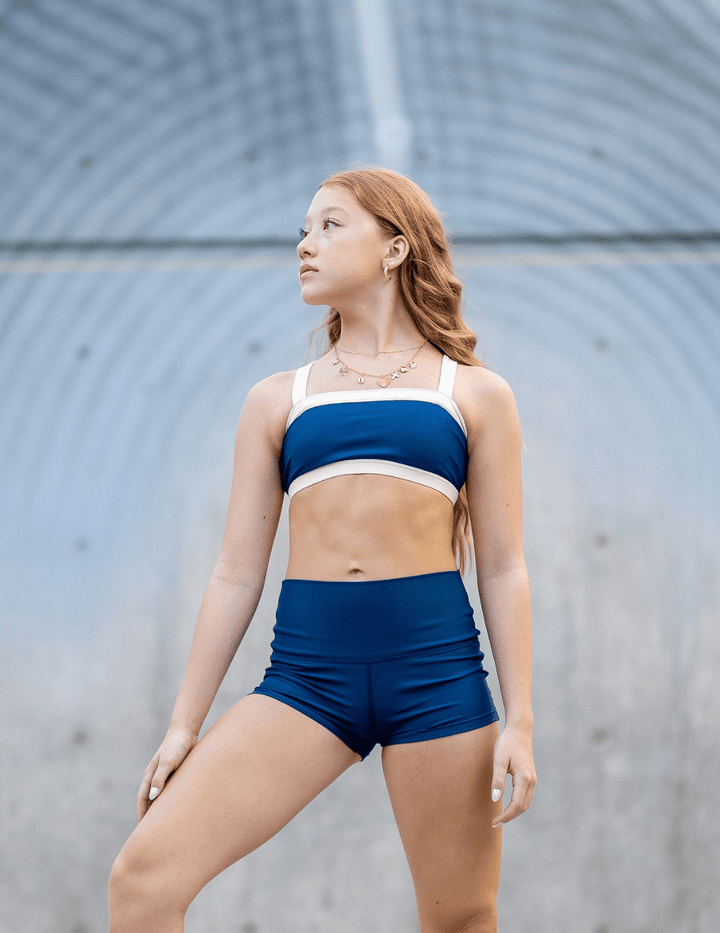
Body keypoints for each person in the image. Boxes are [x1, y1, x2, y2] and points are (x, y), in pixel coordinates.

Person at [108, 167, 536, 933]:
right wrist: (184, 723)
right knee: (143, 880)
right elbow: (237, 570)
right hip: (307, 681)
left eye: (330, 225)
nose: (306, 244)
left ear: (395, 247)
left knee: (462, 917)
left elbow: (504, 566)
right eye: (303, 229)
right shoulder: (279, 398)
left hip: (437, 680)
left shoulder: (474, 394)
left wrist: (522, 722)